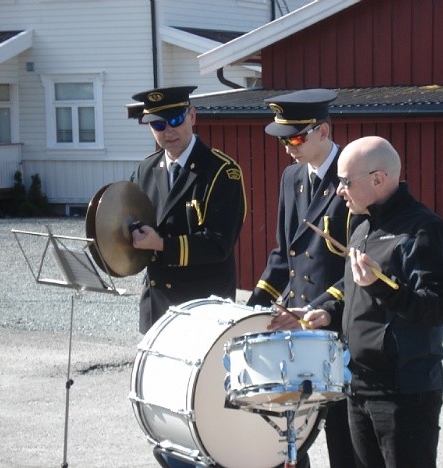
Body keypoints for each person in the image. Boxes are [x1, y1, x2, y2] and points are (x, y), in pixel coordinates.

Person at [296, 136, 443, 468]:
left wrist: (383, 287)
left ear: (378, 179)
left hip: (403, 391)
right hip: (359, 384)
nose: (339, 191)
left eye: (345, 181)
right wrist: (326, 311)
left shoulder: (423, 230)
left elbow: (436, 306)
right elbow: (353, 288)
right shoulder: (362, 224)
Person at [130, 86, 246, 468]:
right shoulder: (146, 170)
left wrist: (162, 244)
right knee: (163, 409)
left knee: (202, 411)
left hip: (202, 311)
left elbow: (219, 244)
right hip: (158, 308)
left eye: (176, 120)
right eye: (158, 124)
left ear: (193, 116)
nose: (168, 131)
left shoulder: (221, 171)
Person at [246, 88, 357, 467]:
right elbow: (285, 253)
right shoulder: (292, 176)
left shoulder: (351, 175)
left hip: (336, 320)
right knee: (291, 434)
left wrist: (319, 309)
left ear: (323, 131)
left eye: (295, 138)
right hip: (297, 325)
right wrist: (254, 308)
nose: (287, 148)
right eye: (283, 139)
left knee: (343, 437)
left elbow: (359, 264)